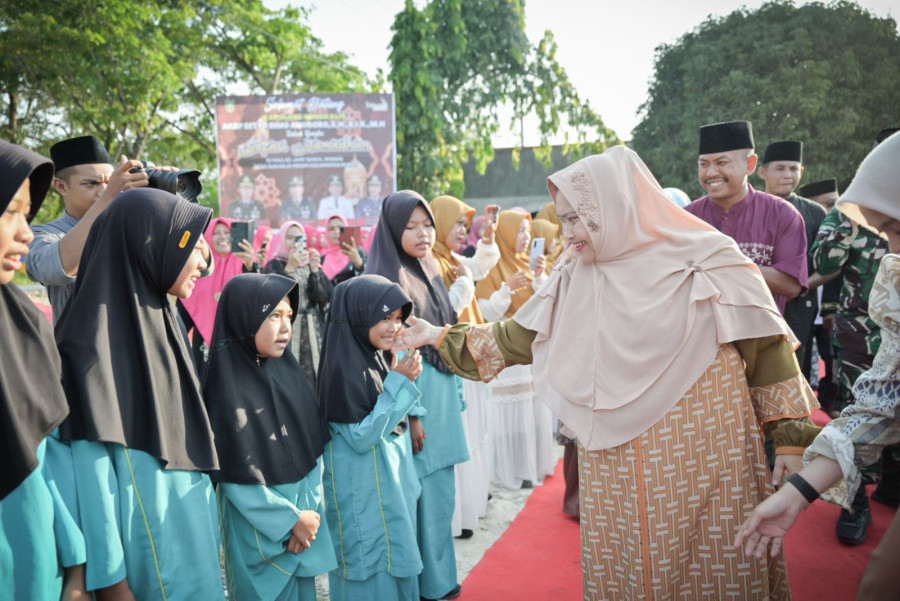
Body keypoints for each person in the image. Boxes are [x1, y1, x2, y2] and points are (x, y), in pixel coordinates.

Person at [394, 146, 820, 600]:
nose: (569, 233)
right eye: (564, 220)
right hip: (616, 466)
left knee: (713, 565)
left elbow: (766, 348)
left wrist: (791, 436)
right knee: (628, 566)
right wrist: (437, 334)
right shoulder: (575, 274)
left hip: (705, 455)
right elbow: (516, 338)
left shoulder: (708, 257)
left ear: (617, 205)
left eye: (579, 218)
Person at [735, 130, 900, 599]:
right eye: (884, 232)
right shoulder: (895, 280)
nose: (891, 249)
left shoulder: (801, 215)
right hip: (839, 329)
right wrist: (797, 492)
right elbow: (876, 410)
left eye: (898, 230)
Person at [55, 187, 224, 599]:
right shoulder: (87, 350)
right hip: (147, 566)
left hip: (192, 548)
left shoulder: (162, 327)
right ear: (147, 245)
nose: (205, 261)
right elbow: (90, 482)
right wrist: (112, 584)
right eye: (191, 244)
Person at [203, 273, 335, 600]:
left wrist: (307, 518)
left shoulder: (290, 377)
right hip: (259, 539)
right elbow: (235, 481)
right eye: (273, 315)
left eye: (289, 315)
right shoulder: (224, 392)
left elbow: (311, 451)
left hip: (302, 532)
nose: (286, 326)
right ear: (244, 318)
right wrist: (290, 521)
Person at [365, 192, 467, 601]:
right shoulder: (388, 277)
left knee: (441, 492)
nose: (423, 233)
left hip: (441, 389)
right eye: (411, 227)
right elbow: (393, 348)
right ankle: (426, 584)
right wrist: (415, 412)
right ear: (392, 230)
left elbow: (445, 330)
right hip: (415, 397)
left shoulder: (431, 270)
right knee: (418, 493)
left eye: (427, 225)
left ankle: (439, 579)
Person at [0, 139, 88, 599]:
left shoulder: (27, 324)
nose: (26, 233)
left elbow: (45, 455)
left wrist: (74, 565)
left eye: (28, 215)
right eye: (10, 212)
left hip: (44, 566)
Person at [317, 275, 425, 601]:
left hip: (385, 491)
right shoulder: (341, 370)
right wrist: (399, 383)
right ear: (359, 315)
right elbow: (361, 438)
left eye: (397, 318)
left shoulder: (374, 356)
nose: (394, 327)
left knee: (395, 561)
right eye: (384, 318)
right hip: (364, 495)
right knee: (368, 569)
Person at [811, 161, 891, 545]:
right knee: (856, 412)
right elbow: (823, 263)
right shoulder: (853, 212)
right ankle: (855, 503)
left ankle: (890, 484)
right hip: (862, 332)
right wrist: (845, 218)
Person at [430, 196, 501, 539]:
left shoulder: (451, 260)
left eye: (464, 225)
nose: (462, 231)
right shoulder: (431, 263)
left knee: (476, 432)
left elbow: (480, 265)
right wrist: (465, 284)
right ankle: (459, 516)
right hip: (452, 361)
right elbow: (444, 313)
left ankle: (472, 505)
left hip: (469, 353)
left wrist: (487, 237)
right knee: (463, 437)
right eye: (456, 223)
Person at [685, 120, 808, 314]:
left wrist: (729, 264)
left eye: (722, 163)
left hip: (761, 338)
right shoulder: (685, 218)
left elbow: (791, 286)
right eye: (704, 164)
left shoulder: (782, 214)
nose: (711, 172)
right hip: (702, 337)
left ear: (750, 164)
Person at [24, 135, 149, 322]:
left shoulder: (132, 224)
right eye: (92, 183)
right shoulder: (45, 234)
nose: (104, 190)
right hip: (83, 349)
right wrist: (109, 197)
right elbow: (53, 268)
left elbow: (201, 268)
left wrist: (169, 203)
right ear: (61, 186)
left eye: (110, 182)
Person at [475, 209, 552, 490]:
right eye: (519, 231)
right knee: (510, 414)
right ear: (506, 234)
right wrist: (506, 289)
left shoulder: (529, 265)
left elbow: (546, 305)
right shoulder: (494, 266)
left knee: (531, 408)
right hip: (507, 349)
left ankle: (531, 465)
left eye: (528, 232)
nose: (525, 237)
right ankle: (512, 469)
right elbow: (484, 312)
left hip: (530, 349)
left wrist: (541, 278)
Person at [757, 140, 830, 376]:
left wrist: (802, 286)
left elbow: (831, 265)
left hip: (799, 305)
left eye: (793, 168)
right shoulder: (750, 208)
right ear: (761, 171)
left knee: (795, 370)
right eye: (780, 168)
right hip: (755, 301)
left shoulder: (814, 212)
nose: (788, 175)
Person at [178, 217, 259, 372]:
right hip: (203, 348)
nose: (222, 237)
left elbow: (255, 298)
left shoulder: (245, 266)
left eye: (227, 232)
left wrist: (250, 265)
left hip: (237, 345)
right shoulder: (198, 270)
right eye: (216, 233)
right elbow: (182, 317)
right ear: (208, 237)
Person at [263, 220, 333, 388]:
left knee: (315, 373)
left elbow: (324, 297)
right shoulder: (274, 264)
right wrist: (290, 269)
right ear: (281, 239)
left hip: (312, 328)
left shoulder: (310, 264)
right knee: (288, 375)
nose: (293, 242)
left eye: (298, 238)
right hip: (286, 326)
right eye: (289, 238)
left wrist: (315, 270)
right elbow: (272, 295)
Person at [321, 214, 366, 285]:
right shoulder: (322, 259)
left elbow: (367, 280)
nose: (336, 232)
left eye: (340, 228)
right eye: (332, 229)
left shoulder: (358, 252)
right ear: (327, 232)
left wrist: (359, 263)